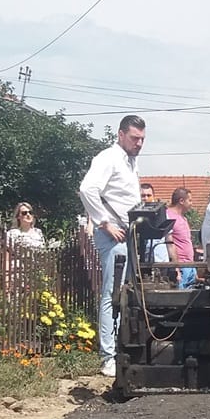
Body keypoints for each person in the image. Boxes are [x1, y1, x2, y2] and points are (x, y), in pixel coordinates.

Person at [78, 114, 146, 376]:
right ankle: (108, 356)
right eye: (134, 138)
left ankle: (120, 348)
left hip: (128, 233)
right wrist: (105, 223)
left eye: (142, 139)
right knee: (112, 293)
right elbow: (87, 189)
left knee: (125, 293)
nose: (139, 143)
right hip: (113, 234)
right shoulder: (108, 157)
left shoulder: (130, 162)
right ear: (120, 135)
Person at [166, 186, 197, 288]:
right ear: (181, 201)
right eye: (190, 200)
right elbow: (170, 244)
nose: (192, 203)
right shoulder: (169, 216)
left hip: (189, 266)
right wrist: (176, 269)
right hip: (181, 267)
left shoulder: (183, 218)